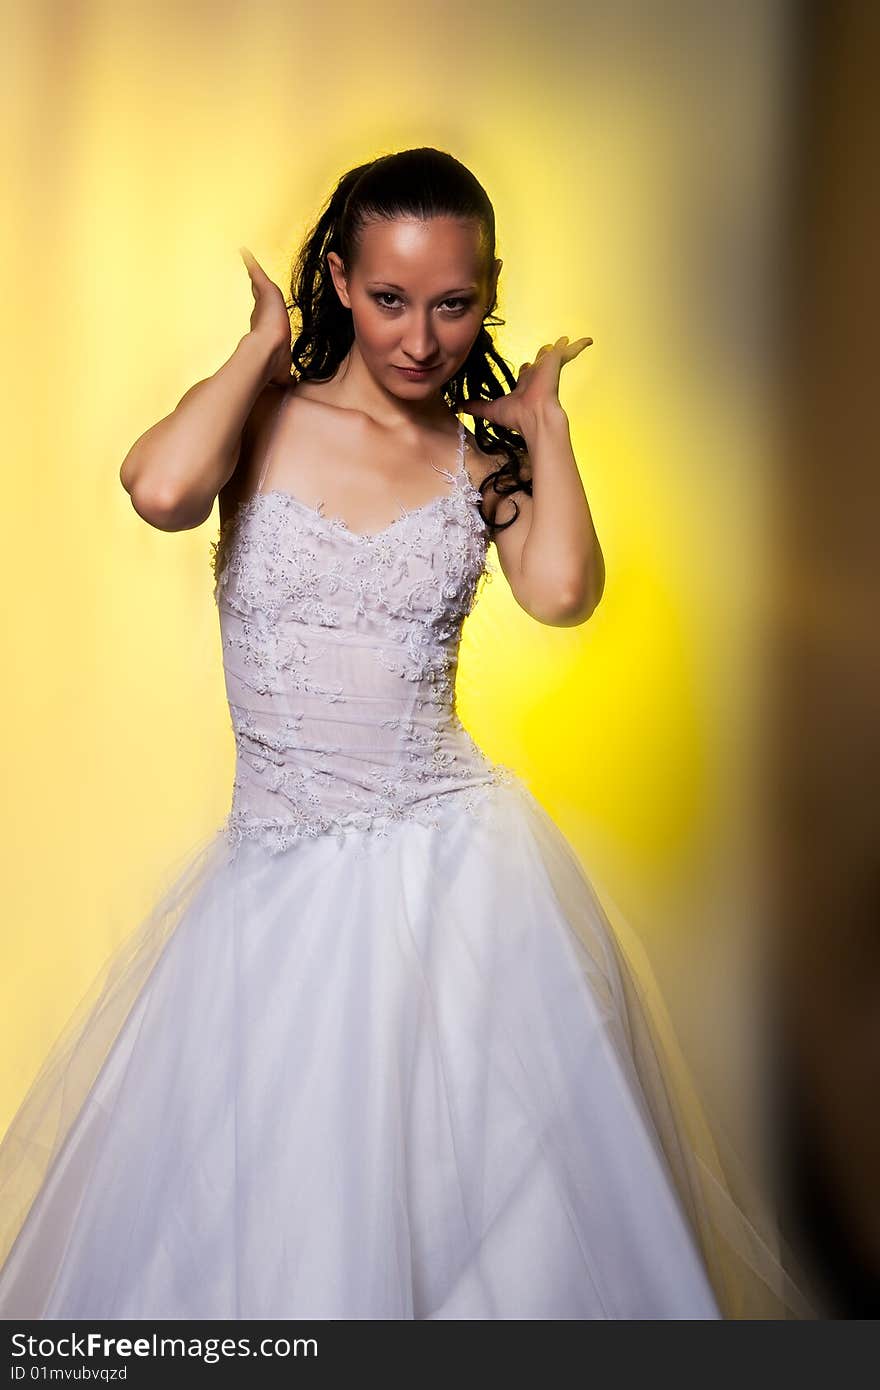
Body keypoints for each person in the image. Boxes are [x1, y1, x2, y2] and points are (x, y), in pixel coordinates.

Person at [0, 147, 826, 1320]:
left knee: (488, 1222)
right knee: (274, 1217)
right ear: (339, 278)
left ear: (488, 290)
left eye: (454, 303)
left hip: (456, 873)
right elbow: (161, 489)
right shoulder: (264, 417)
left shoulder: (482, 458)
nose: (421, 338)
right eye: (389, 298)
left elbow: (560, 592)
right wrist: (255, 347)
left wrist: (545, 425)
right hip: (275, 878)